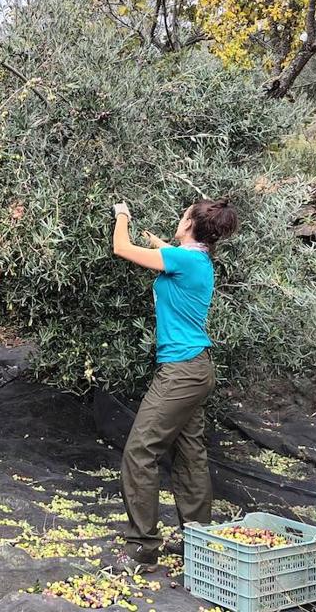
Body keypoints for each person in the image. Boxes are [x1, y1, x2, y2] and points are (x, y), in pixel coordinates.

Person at [110, 198, 239, 568]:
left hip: (181, 372)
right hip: (197, 370)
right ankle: (198, 543)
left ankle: (143, 547)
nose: (179, 219)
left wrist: (123, 213)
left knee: (140, 453)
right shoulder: (197, 260)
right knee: (190, 455)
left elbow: (121, 247)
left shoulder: (185, 261)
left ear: (189, 225)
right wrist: (158, 242)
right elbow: (172, 253)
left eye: (183, 216)